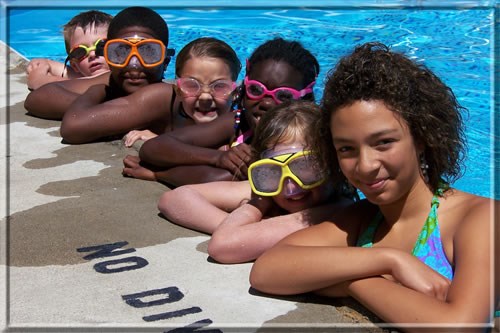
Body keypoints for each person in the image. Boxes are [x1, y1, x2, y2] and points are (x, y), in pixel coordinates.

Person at [250, 42, 496, 330]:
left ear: (421, 137)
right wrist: (389, 260)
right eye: (346, 149)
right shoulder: (364, 219)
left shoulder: (480, 219)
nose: (365, 165)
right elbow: (267, 270)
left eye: (383, 143)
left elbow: (460, 326)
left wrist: (348, 281)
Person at [158, 101, 353, 264]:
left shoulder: (334, 214)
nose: (291, 186)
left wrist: (247, 220)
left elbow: (224, 246)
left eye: (305, 167)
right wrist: (253, 217)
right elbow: (173, 199)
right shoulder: (271, 189)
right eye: (273, 170)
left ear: (333, 165)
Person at [122, 37, 320, 187]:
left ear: (305, 99)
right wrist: (218, 158)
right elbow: (153, 148)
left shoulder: (306, 138)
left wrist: (158, 175)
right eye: (256, 90)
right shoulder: (238, 121)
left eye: (284, 96)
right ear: (244, 88)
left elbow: (219, 179)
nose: (266, 103)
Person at [122, 36, 241, 148]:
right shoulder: (173, 120)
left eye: (219, 86)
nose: (205, 96)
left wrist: (163, 142)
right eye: (192, 85)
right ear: (178, 90)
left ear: (235, 92)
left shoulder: (239, 130)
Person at [26, 10, 112, 91]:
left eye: (102, 45)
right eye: (80, 52)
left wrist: (38, 78)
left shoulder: (118, 79)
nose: (92, 54)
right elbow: (45, 63)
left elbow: (42, 84)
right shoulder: (84, 77)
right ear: (75, 65)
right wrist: (40, 63)